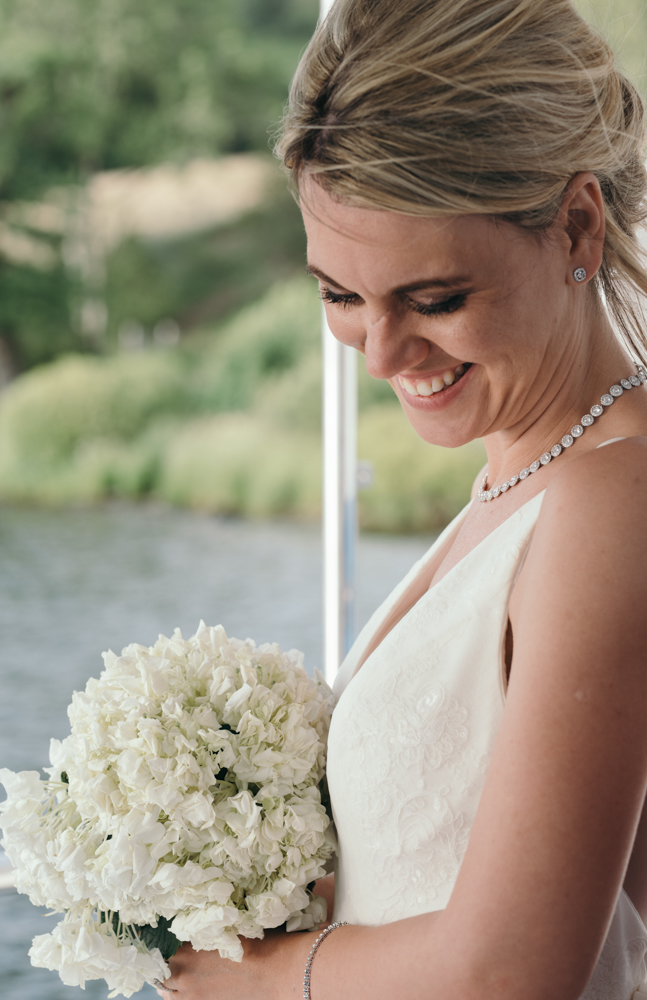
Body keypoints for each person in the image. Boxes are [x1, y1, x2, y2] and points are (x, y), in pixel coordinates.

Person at [156, 1, 647, 997]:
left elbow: (510, 971)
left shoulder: (613, 501)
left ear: (574, 228)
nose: (381, 354)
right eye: (338, 294)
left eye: (432, 301)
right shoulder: (531, 473)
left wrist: (261, 977)